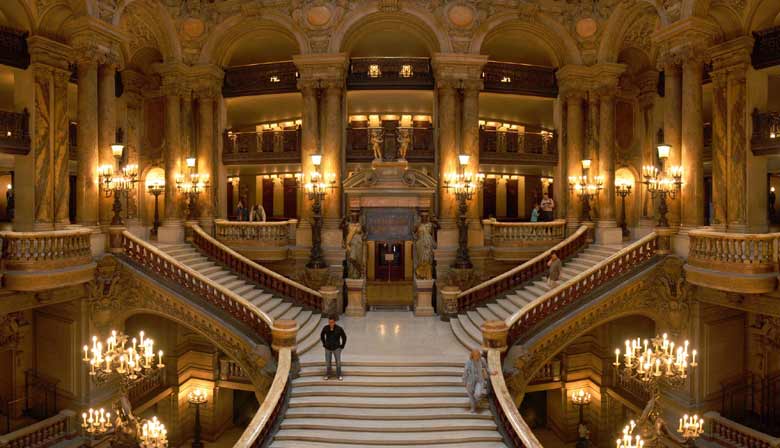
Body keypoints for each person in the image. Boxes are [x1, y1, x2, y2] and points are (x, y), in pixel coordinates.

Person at [463, 349, 495, 413]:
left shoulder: (482, 360)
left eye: (478, 355)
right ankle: (473, 408)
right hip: (471, 381)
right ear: (472, 356)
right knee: (470, 395)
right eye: (475, 356)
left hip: (479, 380)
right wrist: (464, 381)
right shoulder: (469, 362)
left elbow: (486, 368)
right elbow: (465, 372)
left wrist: (492, 372)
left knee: (477, 394)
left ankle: (478, 400)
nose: (477, 357)